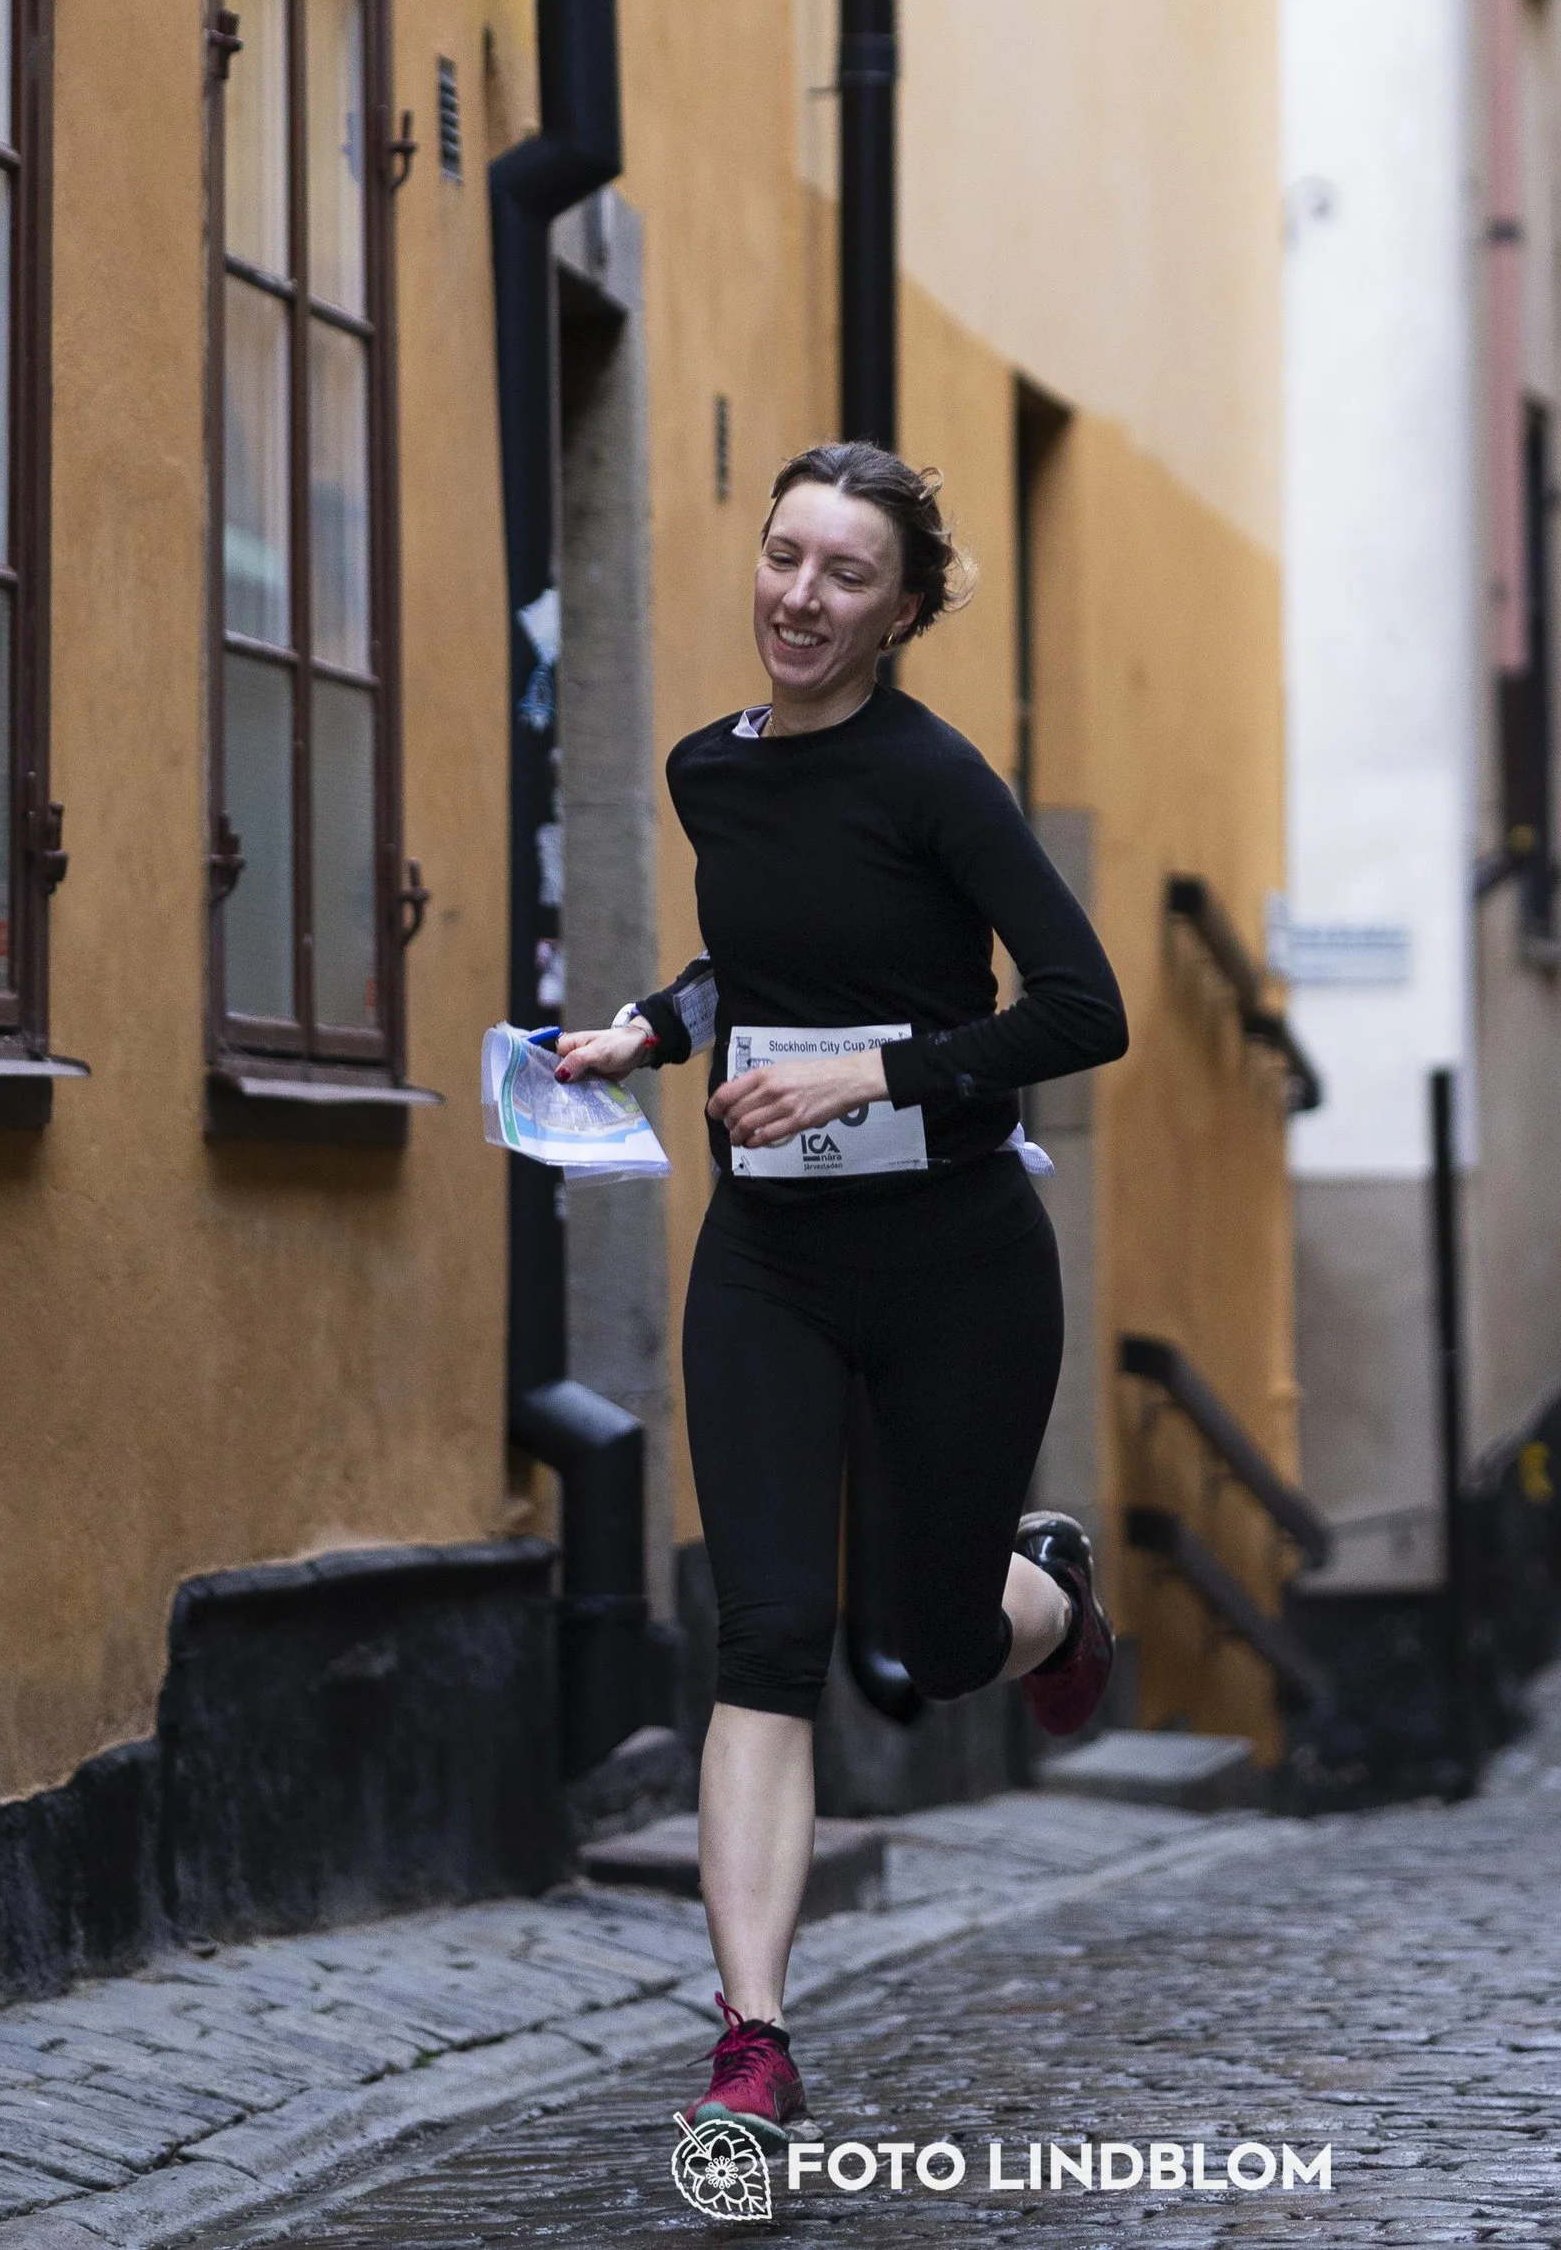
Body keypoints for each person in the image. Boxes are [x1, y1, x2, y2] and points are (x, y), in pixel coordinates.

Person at [553, 440, 1127, 2148]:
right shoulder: (705, 771)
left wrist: (875, 1074)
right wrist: (652, 1031)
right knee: (772, 1636)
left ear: (902, 612)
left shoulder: (940, 778)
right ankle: (751, 2040)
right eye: (783, 557)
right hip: (774, 1262)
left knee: (935, 1643)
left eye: (845, 576)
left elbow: (1081, 1008)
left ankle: (1051, 1596)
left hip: (959, 1265)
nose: (799, 599)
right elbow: (767, 956)